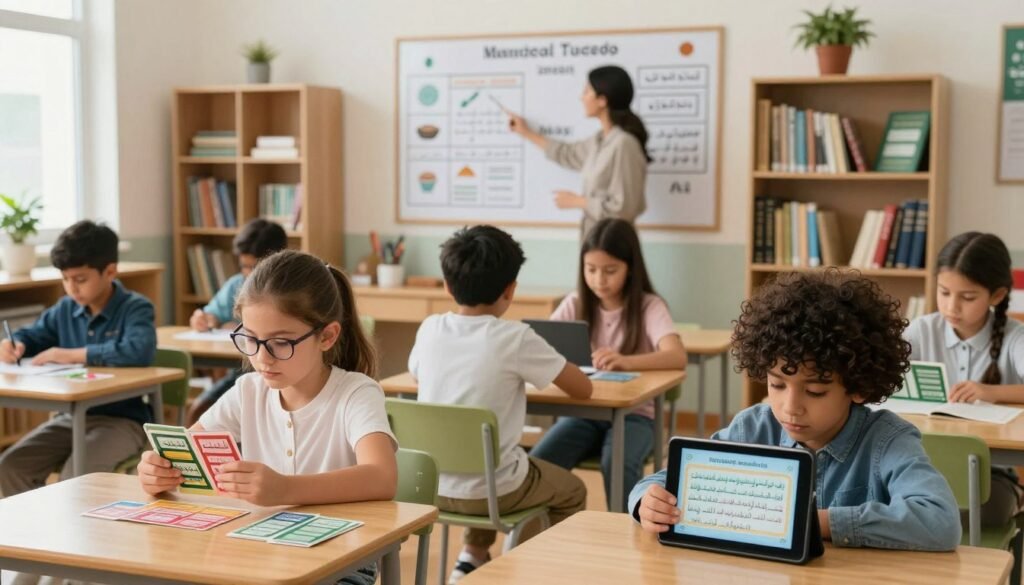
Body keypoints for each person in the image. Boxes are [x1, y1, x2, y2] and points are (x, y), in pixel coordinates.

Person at [630, 270, 961, 551]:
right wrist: (648, 501)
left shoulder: (887, 440)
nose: (789, 409)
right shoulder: (752, 429)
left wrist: (820, 522)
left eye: (815, 391)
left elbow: (940, 520)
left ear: (858, 388)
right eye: (776, 385)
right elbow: (665, 481)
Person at [138, 250, 394, 585]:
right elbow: (185, 449)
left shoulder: (356, 393)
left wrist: (286, 489)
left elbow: (382, 477)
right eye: (251, 340)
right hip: (259, 550)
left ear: (327, 337)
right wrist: (155, 470)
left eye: (280, 343)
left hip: (343, 559)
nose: (261, 358)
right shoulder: (249, 392)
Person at [408, 225, 592, 583]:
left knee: (493, 463)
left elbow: (417, 377)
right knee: (572, 490)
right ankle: (532, 567)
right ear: (510, 290)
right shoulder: (516, 337)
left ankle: (470, 558)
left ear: (447, 286)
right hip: (496, 491)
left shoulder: (430, 328)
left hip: (432, 487)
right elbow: (582, 389)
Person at [530, 218, 686, 510]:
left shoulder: (649, 306)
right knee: (540, 460)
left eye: (610, 271)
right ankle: (538, 534)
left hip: (637, 416)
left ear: (630, 268)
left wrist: (626, 361)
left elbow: (677, 356)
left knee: (616, 461)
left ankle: (629, 530)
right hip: (584, 413)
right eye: (591, 270)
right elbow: (541, 344)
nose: (599, 279)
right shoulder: (575, 303)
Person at [0, 220, 157, 497]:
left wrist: (70, 354)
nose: (71, 288)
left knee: (74, 478)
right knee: (9, 468)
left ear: (110, 271)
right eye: (65, 279)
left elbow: (138, 350)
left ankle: (74, 537)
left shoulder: (135, 308)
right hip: (70, 419)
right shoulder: (65, 309)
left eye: (80, 279)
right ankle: (34, 535)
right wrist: (16, 345)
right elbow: (34, 335)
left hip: (122, 422)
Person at [904, 231, 1024, 527]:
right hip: (919, 468)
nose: (951, 307)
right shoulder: (921, 331)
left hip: (991, 476)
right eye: (944, 292)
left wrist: (991, 392)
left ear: (996, 296)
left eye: (967, 297)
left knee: (952, 520)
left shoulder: (1014, 337)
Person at [509, 65, 650, 237]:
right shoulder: (599, 140)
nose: (581, 97)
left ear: (602, 100)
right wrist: (526, 132)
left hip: (613, 243)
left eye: (587, 91)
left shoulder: (624, 144)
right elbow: (567, 153)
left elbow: (624, 209)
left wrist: (578, 201)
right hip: (594, 240)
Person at [186, 218, 287, 425]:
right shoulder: (237, 285)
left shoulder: (288, 293)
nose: (249, 274)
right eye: (244, 266)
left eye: (255, 266)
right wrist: (205, 319)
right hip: (241, 375)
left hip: (276, 375)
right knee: (199, 410)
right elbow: (211, 314)